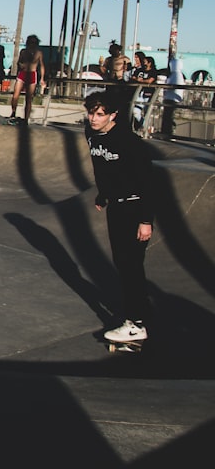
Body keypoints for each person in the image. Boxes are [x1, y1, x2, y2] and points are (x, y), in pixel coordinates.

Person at [83, 90, 155, 344]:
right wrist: (103, 195)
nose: (93, 119)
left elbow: (147, 182)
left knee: (131, 266)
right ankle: (141, 312)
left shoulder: (129, 142)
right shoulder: (91, 133)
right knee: (123, 265)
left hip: (135, 208)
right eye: (91, 113)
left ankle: (136, 324)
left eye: (100, 115)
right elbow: (102, 168)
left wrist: (146, 220)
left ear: (113, 115)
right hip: (116, 206)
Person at [8, 34, 46, 124]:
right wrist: (21, 65)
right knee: (15, 95)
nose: (32, 44)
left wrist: (42, 78)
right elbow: (19, 62)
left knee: (28, 98)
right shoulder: (23, 51)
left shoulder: (39, 53)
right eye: (30, 42)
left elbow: (42, 66)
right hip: (22, 73)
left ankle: (26, 119)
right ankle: (13, 112)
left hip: (32, 74)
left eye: (34, 42)